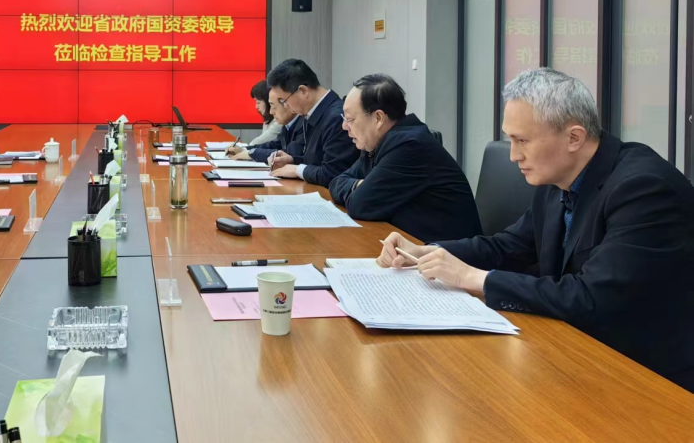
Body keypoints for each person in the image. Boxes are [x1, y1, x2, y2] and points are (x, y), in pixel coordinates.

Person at [378, 68, 694, 392]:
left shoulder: (643, 189)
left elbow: (592, 297)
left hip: (650, 376)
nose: (514, 155)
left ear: (574, 137)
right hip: (578, 350)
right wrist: (427, 251)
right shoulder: (559, 178)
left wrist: (472, 278)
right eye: (510, 139)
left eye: (523, 141)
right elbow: (509, 246)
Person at [328, 74, 481, 241]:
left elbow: (359, 205)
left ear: (378, 118)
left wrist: (359, 187)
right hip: (412, 243)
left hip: (447, 250)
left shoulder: (410, 146)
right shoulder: (375, 143)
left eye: (349, 119)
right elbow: (336, 182)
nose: (344, 126)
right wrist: (360, 184)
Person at [264, 59, 358, 186]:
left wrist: (297, 170)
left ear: (303, 91)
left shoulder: (336, 118)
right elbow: (318, 161)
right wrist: (292, 160)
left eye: (283, 101)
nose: (285, 106)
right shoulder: (313, 113)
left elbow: (333, 173)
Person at [230, 97, 301, 162]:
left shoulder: (301, 124)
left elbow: (288, 154)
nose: (271, 112)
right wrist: (245, 149)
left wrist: (252, 153)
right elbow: (275, 144)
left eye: (274, 106)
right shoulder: (286, 125)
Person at [247, 80, 281, 146]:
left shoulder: (279, 122)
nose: (256, 107)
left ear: (268, 102)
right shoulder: (267, 120)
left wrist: (243, 149)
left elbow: (256, 144)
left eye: (258, 102)